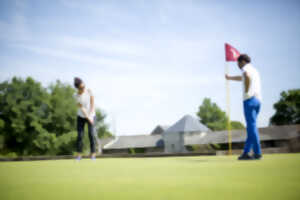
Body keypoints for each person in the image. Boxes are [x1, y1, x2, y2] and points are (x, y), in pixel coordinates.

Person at [225, 54, 262, 160]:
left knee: (251, 127)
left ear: (242, 61)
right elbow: (243, 77)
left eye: (238, 62)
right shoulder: (255, 70)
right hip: (258, 101)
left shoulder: (245, 69)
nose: (237, 64)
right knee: (251, 127)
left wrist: (246, 90)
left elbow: (246, 76)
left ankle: (257, 153)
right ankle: (246, 152)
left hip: (249, 100)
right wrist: (229, 78)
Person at [74, 77, 97, 161]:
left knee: (91, 134)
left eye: (84, 86)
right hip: (81, 116)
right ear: (77, 88)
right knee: (80, 135)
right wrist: (88, 117)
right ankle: (79, 155)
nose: (83, 88)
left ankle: (93, 155)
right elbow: (82, 108)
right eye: (81, 88)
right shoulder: (76, 96)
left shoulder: (89, 91)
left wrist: (91, 116)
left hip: (92, 114)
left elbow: (92, 103)